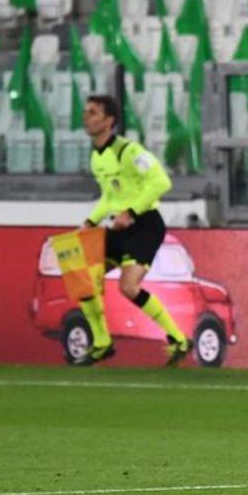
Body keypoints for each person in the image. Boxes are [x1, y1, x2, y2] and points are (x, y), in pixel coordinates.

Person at [76, 95, 192, 366]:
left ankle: (178, 338)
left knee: (128, 287)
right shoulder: (97, 157)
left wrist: (132, 211)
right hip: (119, 225)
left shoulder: (130, 152)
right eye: (86, 112)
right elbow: (109, 196)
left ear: (109, 121)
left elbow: (161, 182)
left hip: (145, 225)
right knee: (81, 274)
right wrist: (91, 221)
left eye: (93, 113)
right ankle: (102, 342)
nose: (86, 117)